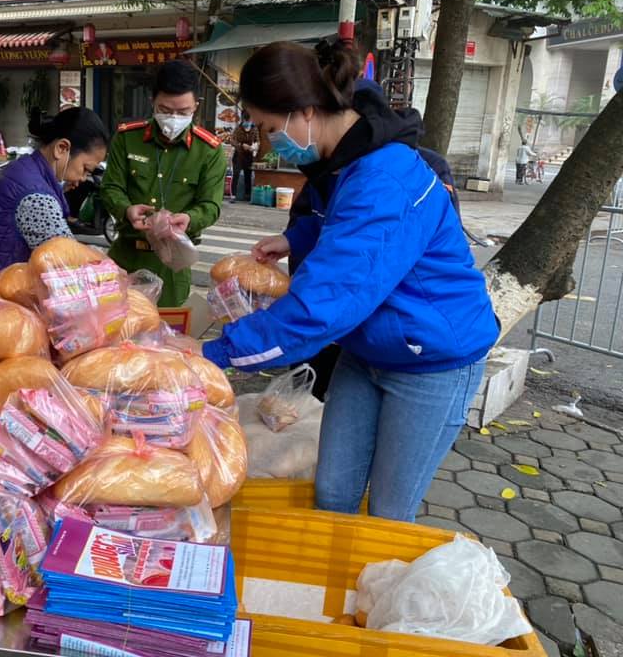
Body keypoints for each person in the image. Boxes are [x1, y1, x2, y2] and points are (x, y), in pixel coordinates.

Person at [201, 41, 499, 523]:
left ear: (305, 111)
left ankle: (377, 568)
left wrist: (215, 354)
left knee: (388, 511)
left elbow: (322, 305)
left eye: (269, 127)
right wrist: (295, 237)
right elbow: (341, 227)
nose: (268, 142)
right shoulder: (342, 158)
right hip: (367, 351)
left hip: (432, 360)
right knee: (334, 491)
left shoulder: (383, 178)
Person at [285, 77, 465, 401]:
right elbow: (310, 222)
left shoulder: (413, 169)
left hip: (399, 337)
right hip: (332, 321)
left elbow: (396, 252)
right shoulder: (326, 168)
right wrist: (292, 249)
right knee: (307, 410)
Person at [102, 60, 226, 308]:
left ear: (196, 106)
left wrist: (189, 218)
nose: (173, 118)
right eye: (165, 110)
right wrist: (126, 209)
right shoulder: (127, 138)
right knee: (113, 326)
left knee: (167, 329)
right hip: (125, 257)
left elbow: (211, 205)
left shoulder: (208, 150)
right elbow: (110, 187)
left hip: (172, 266)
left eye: (183, 112)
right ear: (152, 101)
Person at [0, 108, 109, 275]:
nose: (83, 178)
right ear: (61, 148)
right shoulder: (37, 198)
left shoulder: (26, 169)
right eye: (85, 169)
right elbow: (68, 264)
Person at [229, 111, 259, 202]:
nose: (248, 122)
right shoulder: (238, 128)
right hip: (239, 155)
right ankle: (233, 195)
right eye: (246, 120)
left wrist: (255, 146)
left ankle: (247, 195)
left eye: (249, 120)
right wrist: (241, 145)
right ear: (243, 119)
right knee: (236, 174)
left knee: (248, 175)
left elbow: (257, 140)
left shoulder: (254, 129)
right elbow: (232, 140)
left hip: (249, 155)